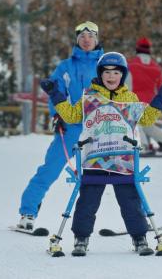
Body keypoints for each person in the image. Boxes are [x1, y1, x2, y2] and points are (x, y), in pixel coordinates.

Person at [40, 52, 162, 256]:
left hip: (123, 159)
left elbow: (146, 119)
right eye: (107, 72)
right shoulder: (90, 98)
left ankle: (139, 237)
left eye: (116, 72)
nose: (111, 76)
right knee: (87, 200)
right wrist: (56, 94)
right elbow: (71, 115)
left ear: (122, 75)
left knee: (131, 201)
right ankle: (81, 238)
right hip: (95, 158)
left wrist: (160, 98)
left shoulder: (130, 99)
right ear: (100, 74)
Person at [17, 21, 104, 230]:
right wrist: (57, 116)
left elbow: (119, 91)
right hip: (72, 127)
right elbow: (55, 94)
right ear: (77, 40)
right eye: (82, 37)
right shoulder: (66, 66)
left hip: (100, 128)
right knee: (50, 169)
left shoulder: (105, 65)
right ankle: (28, 213)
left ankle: (135, 219)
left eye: (90, 36)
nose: (86, 40)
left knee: (115, 172)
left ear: (96, 40)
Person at [127, 37, 162, 156]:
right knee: (147, 125)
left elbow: (126, 84)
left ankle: (144, 145)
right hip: (151, 102)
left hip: (135, 101)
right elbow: (161, 88)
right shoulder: (156, 68)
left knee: (135, 124)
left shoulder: (130, 65)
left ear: (137, 49)